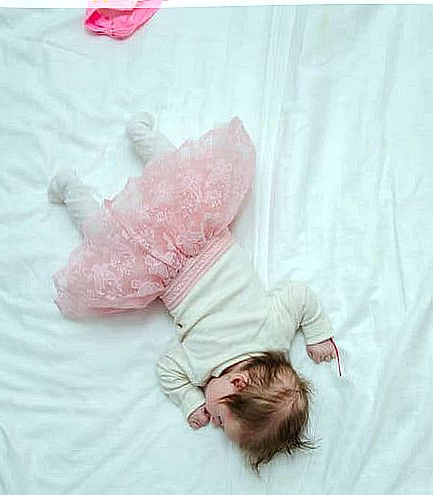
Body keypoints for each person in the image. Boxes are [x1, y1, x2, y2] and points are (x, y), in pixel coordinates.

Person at [49, 113, 339, 470]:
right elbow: (168, 370)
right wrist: (188, 395)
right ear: (237, 382)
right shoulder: (208, 365)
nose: (213, 421)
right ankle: (69, 187)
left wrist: (315, 336)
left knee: (179, 183)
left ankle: (138, 135)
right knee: (110, 236)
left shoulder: (272, 335)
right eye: (220, 418)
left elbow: (299, 295)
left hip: (190, 245)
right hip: (184, 253)